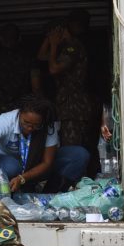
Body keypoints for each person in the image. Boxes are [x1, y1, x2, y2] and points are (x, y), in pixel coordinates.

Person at [0, 95, 89, 193]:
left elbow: (47, 162)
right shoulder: (5, 120)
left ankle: (49, 193)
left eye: (36, 125)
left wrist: (22, 178)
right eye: (26, 123)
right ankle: (9, 192)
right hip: (5, 165)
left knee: (79, 155)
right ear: (19, 114)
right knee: (13, 166)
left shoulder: (48, 126)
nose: (30, 128)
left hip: (32, 167)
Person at [38, 10, 93, 147]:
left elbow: (53, 69)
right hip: (66, 107)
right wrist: (50, 40)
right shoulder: (63, 48)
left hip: (73, 107)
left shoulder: (72, 47)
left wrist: (54, 44)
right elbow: (41, 56)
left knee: (71, 147)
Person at [0, 23, 41, 134]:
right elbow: (36, 88)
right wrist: (40, 112)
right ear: (19, 38)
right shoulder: (28, 58)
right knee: (20, 146)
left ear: (1, 39)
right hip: (22, 111)